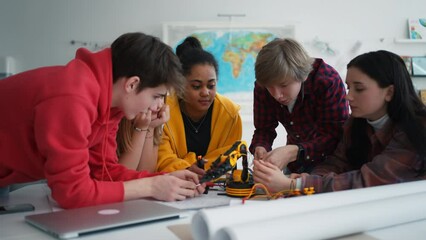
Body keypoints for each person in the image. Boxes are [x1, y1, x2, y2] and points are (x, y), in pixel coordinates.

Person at [0, 32, 205, 209]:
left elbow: (104, 174)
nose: (158, 106)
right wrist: (151, 187)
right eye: (157, 96)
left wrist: (163, 180)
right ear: (133, 84)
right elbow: (72, 193)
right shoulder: (73, 97)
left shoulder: (109, 105)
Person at [253, 50, 426, 193]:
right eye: (349, 87)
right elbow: (336, 163)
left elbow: (368, 179)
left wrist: (295, 185)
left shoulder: (417, 129)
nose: (347, 96)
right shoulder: (355, 124)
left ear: (389, 92)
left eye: (359, 88)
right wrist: (301, 179)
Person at [250, 38, 349, 173]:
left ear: (303, 75)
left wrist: (292, 152)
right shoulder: (263, 85)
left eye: (283, 85)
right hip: (295, 163)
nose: (276, 95)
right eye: (269, 87)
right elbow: (264, 129)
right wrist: (261, 147)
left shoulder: (327, 81)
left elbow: (334, 136)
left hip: (331, 163)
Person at [156, 36, 242, 175]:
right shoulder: (163, 110)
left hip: (215, 187)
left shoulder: (230, 114)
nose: (205, 92)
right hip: (175, 182)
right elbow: (162, 157)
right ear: (180, 86)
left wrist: (192, 166)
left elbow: (227, 156)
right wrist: (187, 168)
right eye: (196, 86)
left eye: (211, 85)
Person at [116, 104, 168, 172]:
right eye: (154, 97)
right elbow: (121, 175)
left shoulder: (155, 119)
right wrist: (141, 129)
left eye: (162, 97)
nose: (159, 106)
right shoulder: (115, 120)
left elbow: (147, 172)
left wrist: (150, 127)